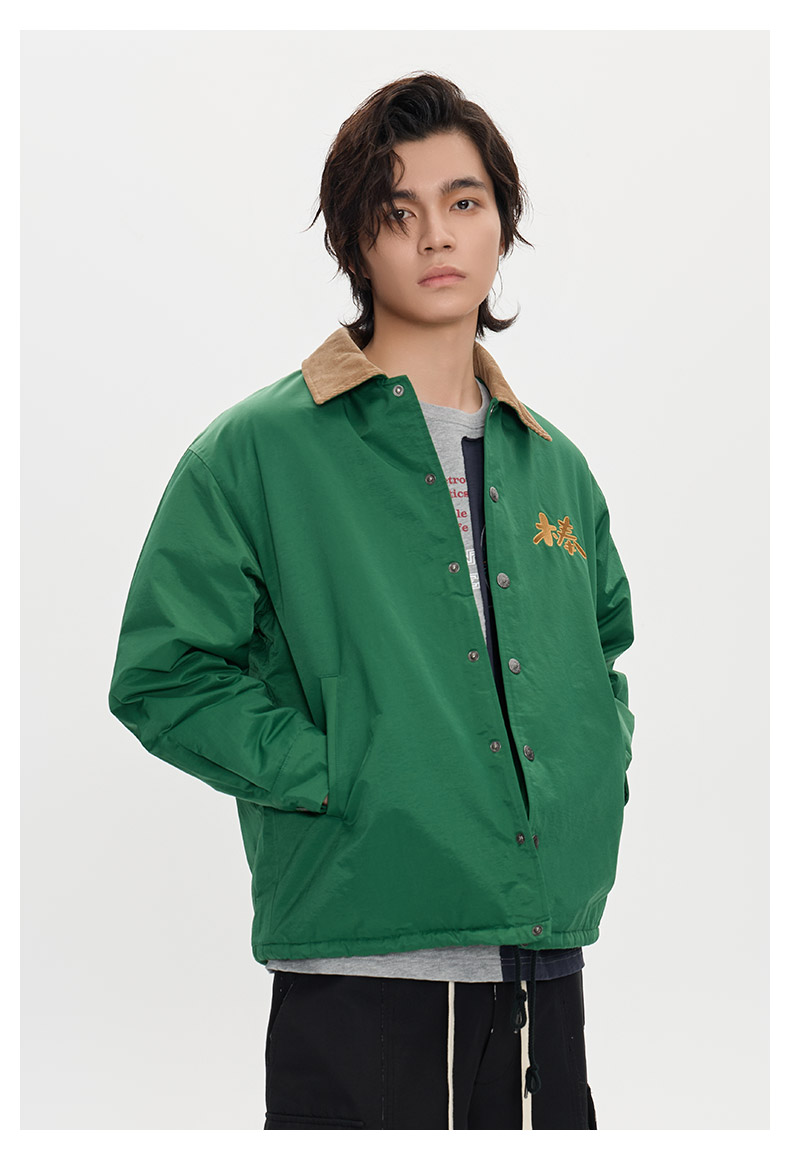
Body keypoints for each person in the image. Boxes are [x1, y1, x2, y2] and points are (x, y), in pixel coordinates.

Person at [109, 72, 635, 1130]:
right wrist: (344, 769)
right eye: (397, 212)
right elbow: (164, 674)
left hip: (546, 966)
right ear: (356, 243)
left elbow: (603, 652)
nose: (436, 235)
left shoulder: (554, 466)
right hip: (364, 976)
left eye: (463, 201)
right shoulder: (259, 450)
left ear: (501, 224)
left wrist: (595, 770)